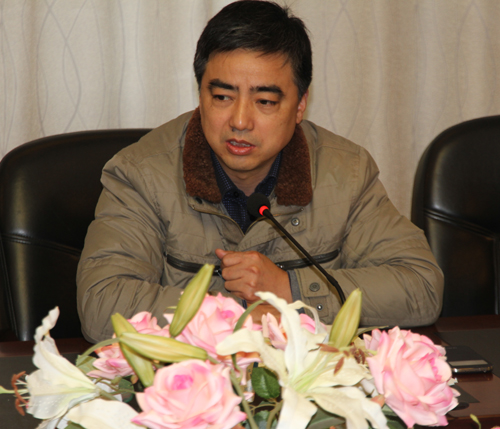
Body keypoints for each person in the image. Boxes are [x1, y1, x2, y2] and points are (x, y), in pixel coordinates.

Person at [77, 0, 443, 343]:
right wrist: (243, 314)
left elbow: (421, 286)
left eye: (265, 101)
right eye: (222, 97)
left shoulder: (345, 173)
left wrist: (289, 288)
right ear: (201, 93)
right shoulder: (140, 174)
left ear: (300, 105)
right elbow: (101, 303)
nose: (240, 121)